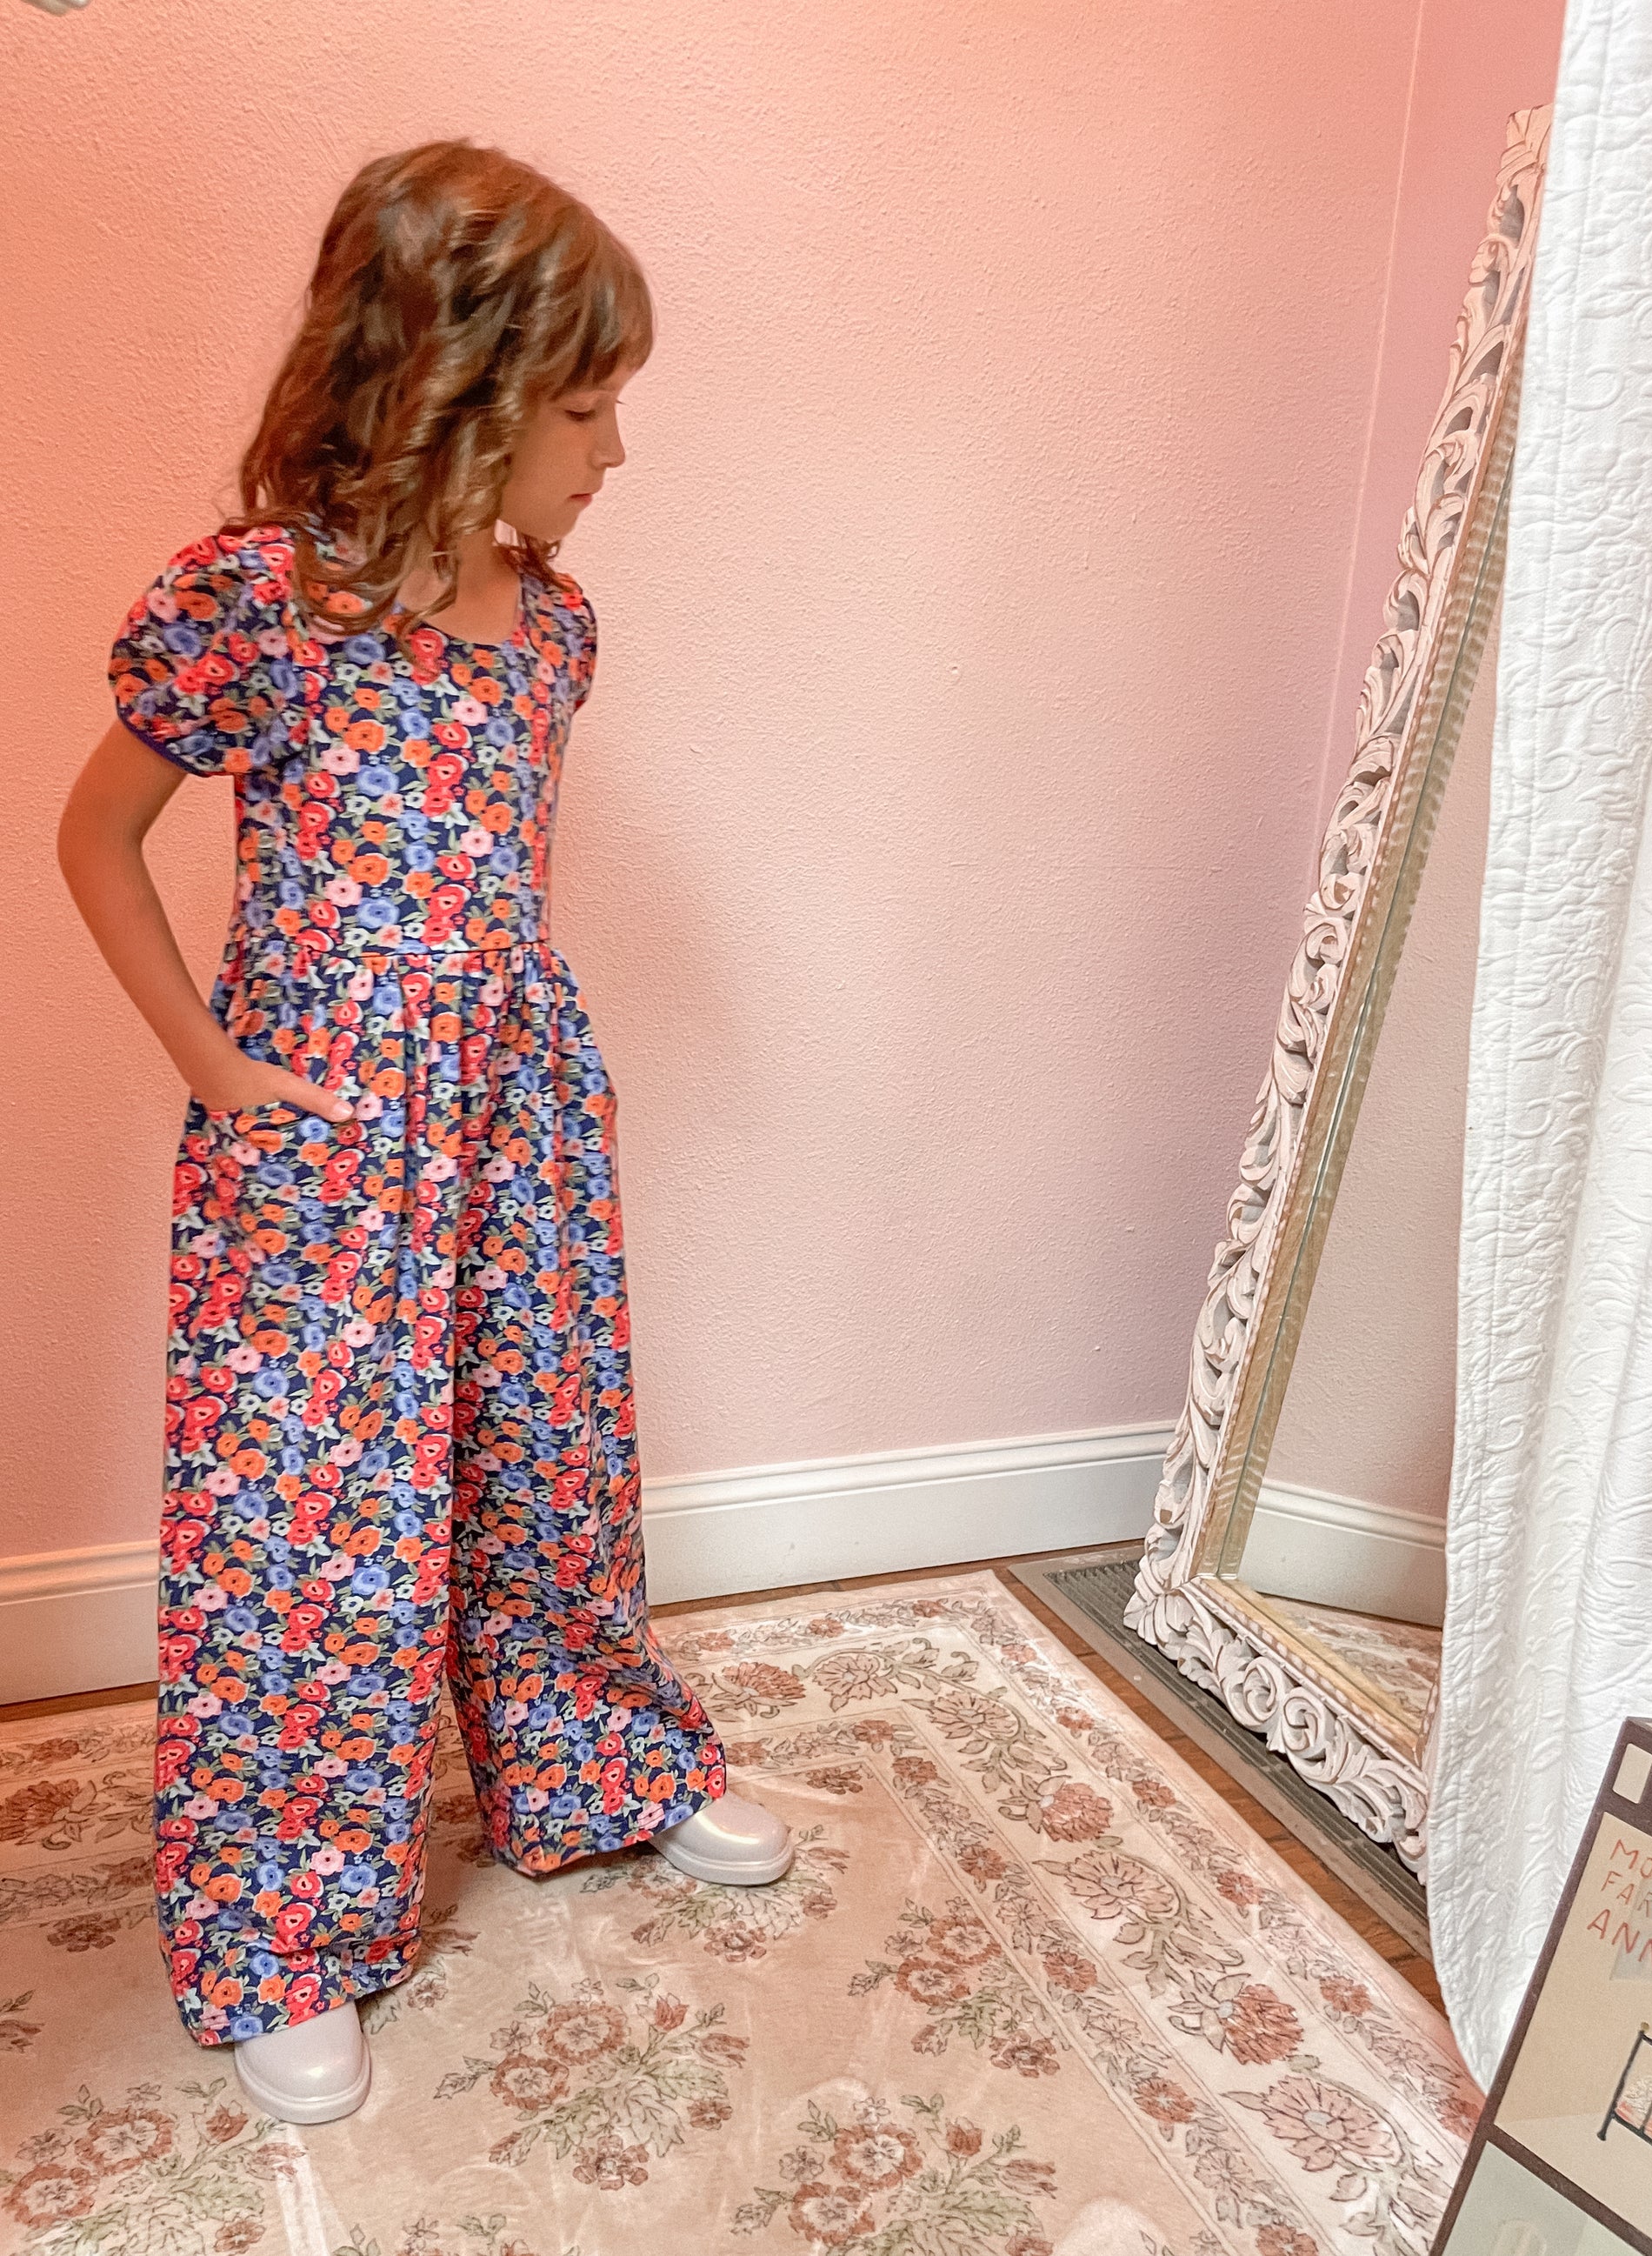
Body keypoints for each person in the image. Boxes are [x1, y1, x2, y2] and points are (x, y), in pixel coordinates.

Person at [56, 139, 791, 2129]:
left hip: (517, 1104)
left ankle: (587, 1755)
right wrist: (218, 1069)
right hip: (320, 1129)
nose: (614, 455)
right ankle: (294, 1909)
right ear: (461, 393)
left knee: (546, 1456)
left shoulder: (553, 632)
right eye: (585, 408)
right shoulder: (256, 606)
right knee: (315, 1524)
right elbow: (93, 834)